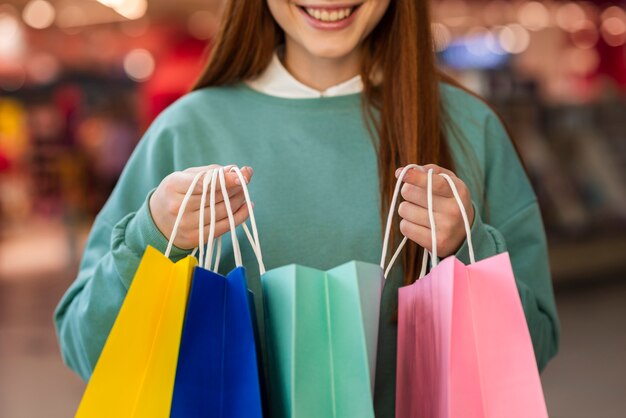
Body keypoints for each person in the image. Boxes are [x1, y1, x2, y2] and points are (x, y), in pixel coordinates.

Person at [54, 0, 560, 416]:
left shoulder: (469, 130)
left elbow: (528, 355)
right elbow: (88, 350)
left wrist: (465, 248)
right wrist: (152, 236)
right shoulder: (185, 132)